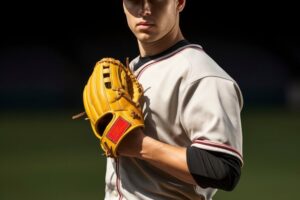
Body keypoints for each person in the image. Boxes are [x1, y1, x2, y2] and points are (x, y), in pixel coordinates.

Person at [105, 0, 244, 199]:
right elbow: (123, 140)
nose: (145, 10)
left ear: (179, 3)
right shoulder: (131, 69)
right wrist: (112, 130)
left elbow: (222, 169)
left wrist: (139, 145)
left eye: (156, 0)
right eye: (135, 0)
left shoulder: (202, 75)